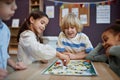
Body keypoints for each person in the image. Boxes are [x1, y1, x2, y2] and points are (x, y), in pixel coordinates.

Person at [0, 0, 27, 80]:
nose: (15, 7)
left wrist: (14, 65)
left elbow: (3, 55)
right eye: (8, 3)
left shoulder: (5, 30)